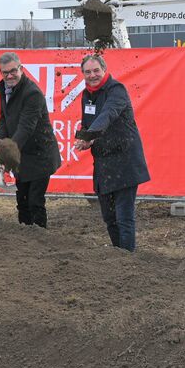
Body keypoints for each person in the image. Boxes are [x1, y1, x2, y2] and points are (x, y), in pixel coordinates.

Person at [73, 53, 150, 251]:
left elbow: (107, 115)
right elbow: (87, 121)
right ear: (83, 74)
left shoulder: (117, 90)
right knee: (109, 218)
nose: (92, 75)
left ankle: (127, 259)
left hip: (125, 162)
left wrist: (89, 136)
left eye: (96, 71)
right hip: (103, 163)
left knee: (123, 217)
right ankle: (118, 256)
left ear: (104, 70)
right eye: (88, 72)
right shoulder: (86, 94)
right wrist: (83, 138)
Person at [0, 52, 61, 227]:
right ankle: (24, 240)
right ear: (1, 72)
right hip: (21, 156)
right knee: (22, 202)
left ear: (21, 68)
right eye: (5, 72)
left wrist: (5, 154)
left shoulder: (32, 93)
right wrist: (0, 140)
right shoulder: (5, 90)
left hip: (40, 155)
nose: (10, 75)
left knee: (35, 202)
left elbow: (25, 128)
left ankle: (40, 240)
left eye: (13, 70)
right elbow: (4, 119)